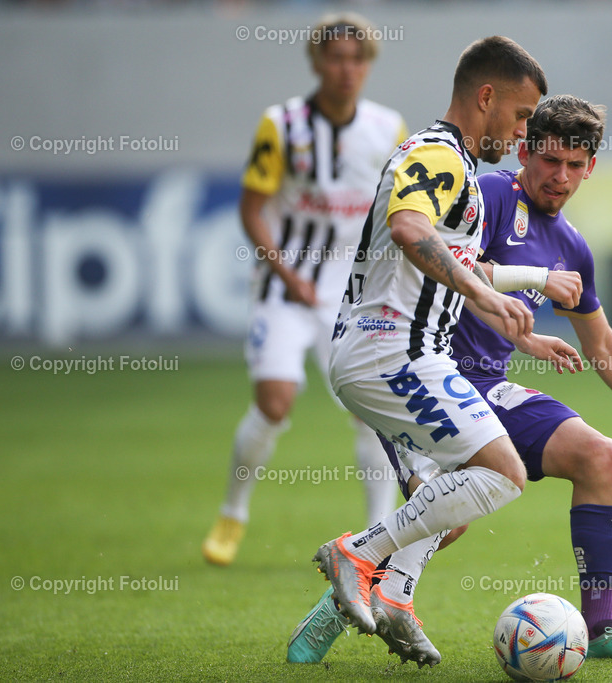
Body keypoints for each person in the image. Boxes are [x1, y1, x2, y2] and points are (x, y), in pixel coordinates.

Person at [287, 95, 612, 667]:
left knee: (601, 458)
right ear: (524, 150)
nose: (559, 177)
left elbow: (603, 344)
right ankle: (336, 606)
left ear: (591, 168)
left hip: (487, 384)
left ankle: (601, 626)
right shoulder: (485, 196)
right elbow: (451, 266)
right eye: (549, 159)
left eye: (575, 165)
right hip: (417, 369)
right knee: (447, 515)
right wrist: (525, 332)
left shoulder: (572, 247)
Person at [286, 36, 590, 667]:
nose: (520, 132)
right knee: (502, 474)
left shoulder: (455, 167)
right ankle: (360, 555)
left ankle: (392, 596)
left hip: (394, 354)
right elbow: (409, 230)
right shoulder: (438, 156)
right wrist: (485, 286)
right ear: (486, 97)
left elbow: (454, 261)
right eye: (521, 116)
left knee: (449, 501)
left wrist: (517, 304)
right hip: (393, 353)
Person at [202, 13, 408, 567]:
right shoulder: (282, 125)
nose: (347, 69)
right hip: (285, 284)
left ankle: (376, 539)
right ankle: (234, 511)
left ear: (368, 66)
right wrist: (286, 272)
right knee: (275, 402)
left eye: (358, 59)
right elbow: (251, 209)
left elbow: (398, 212)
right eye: (337, 58)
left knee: (372, 411)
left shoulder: (388, 129)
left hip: (351, 292)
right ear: (316, 62)